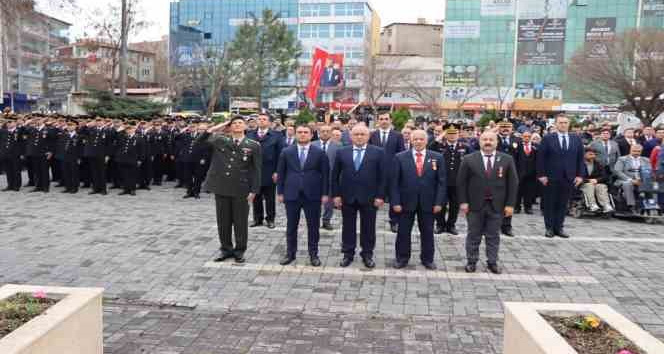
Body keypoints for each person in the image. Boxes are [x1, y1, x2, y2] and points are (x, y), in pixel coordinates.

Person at [457, 131, 518, 274]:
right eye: (485, 139)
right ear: (480, 142)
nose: (488, 142)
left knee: (493, 235)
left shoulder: (507, 159)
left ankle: (492, 262)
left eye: (491, 139)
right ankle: (471, 261)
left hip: (497, 206)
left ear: (497, 142)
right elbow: (461, 183)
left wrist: (510, 204)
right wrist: (463, 202)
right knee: (473, 234)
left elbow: (513, 183)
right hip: (474, 205)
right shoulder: (468, 159)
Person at [205, 117, 261, 264]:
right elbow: (202, 139)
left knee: (240, 222)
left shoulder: (253, 145)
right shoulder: (220, 140)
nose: (237, 125)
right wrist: (221, 124)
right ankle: (226, 249)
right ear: (229, 127)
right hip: (222, 187)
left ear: (246, 127)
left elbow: (257, 170)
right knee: (223, 221)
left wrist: (254, 190)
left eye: (240, 123)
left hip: (241, 189)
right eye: (234, 123)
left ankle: (240, 250)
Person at [391, 130, 446, 270]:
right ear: (410, 140)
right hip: (405, 202)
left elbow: (441, 182)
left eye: (421, 139)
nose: (418, 141)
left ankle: (427, 259)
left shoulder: (437, 157)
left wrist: (439, 202)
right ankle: (402, 258)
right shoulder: (400, 157)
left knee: (427, 232)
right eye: (415, 139)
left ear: (426, 141)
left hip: (428, 202)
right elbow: (394, 182)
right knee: (403, 232)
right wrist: (395, 202)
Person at [332, 124, 385, 269]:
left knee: (368, 227)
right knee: (348, 226)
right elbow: (335, 175)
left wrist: (380, 196)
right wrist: (336, 195)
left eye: (363, 134)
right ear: (350, 136)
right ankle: (348, 253)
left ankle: (367, 254)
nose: (359, 137)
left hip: (370, 197)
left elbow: (383, 176)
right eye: (356, 134)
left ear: (368, 136)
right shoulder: (342, 152)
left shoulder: (378, 152)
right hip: (347, 196)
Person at [276, 125, 329, 266]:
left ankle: (313, 254)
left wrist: (325, 194)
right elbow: (281, 174)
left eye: (306, 132)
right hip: (291, 194)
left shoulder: (320, 153)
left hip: (313, 195)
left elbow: (325, 175)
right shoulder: (286, 152)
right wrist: (280, 192)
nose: (302, 135)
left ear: (312, 135)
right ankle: (290, 253)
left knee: (313, 226)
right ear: (295, 134)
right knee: (291, 226)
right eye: (299, 132)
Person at [537, 114, 585, 238]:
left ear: (569, 124)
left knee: (563, 204)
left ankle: (559, 227)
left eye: (565, 122)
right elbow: (541, 158)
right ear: (556, 124)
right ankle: (549, 228)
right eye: (560, 122)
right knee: (550, 203)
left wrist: (580, 175)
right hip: (551, 176)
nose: (563, 125)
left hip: (569, 177)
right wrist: (541, 175)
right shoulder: (548, 138)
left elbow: (580, 159)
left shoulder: (576, 139)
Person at [428, 125, 469, 235]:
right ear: (445, 134)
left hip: (457, 181)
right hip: (441, 181)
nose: (452, 136)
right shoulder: (439, 146)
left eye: (454, 133)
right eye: (449, 133)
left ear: (458, 134)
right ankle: (440, 224)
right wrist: (439, 137)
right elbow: (429, 148)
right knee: (440, 203)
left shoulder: (464, 147)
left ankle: (451, 225)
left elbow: (471, 159)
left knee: (454, 205)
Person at [369, 113, 405, 233]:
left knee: (393, 196)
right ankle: (370, 219)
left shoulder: (398, 135)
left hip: (392, 171)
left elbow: (401, 154)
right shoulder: (372, 135)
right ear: (377, 121)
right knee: (374, 196)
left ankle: (394, 221)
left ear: (390, 120)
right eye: (381, 119)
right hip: (375, 172)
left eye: (386, 119)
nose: (384, 121)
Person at [247, 114, 285, 229]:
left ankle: (270, 219)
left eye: (264, 119)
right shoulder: (250, 134)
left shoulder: (277, 135)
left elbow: (281, 155)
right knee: (256, 196)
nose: (261, 121)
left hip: (270, 171)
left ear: (269, 122)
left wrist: (277, 171)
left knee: (269, 198)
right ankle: (257, 219)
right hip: (254, 171)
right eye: (260, 119)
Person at [312, 124, 341, 230]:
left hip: (330, 179)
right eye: (322, 131)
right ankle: (314, 220)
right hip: (314, 179)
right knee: (314, 201)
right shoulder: (312, 145)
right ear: (319, 132)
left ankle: (326, 220)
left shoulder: (338, 146)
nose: (325, 133)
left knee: (329, 202)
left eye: (327, 131)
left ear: (331, 132)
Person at [496, 120, 520, 237]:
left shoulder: (516, 140)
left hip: (511, 174)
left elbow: (520, 158)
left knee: (509, 200)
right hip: (495, 174)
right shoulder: (494, 139)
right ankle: (494, 225)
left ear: (512, 128)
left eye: (508, 127)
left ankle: (506, 226)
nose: (505, 129)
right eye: (502, 126)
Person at [614, 144, 651, 214]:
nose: (636, 153)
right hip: (625, 180)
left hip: (642, 181)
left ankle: (651, 206)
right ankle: (631, 206)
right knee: (627, 184)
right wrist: (631, 180)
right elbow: (618, 172)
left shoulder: (646, 160)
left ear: (641, 152)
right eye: (634, 151)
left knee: (654, 184)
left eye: (638, 151)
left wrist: (644, 180)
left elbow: (649, 171)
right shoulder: (622, 159)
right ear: (630, 150)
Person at [24, 118, 57, 193]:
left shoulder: (48, 129)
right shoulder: (33, 129)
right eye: (35, 120)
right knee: (36, 170)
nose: (37, 121)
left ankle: (45, 187)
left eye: (39, 120)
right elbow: (24, 132)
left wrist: (50, 152)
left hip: (44, 153)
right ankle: (38, 186)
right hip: (35, 153)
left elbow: (52, 142)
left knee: (44, 171)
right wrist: (26, 123)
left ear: (43, 121)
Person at [114, 123, 146, 196]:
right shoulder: (123, 137)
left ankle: (132, 189)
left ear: (134, 129)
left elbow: (142, 150)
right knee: (124, 175)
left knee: (132, 175)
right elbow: (117, 137)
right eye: (127, 129)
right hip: (124, 159)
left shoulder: (139, 138)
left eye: (130, 129)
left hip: (133, 159)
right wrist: (121, 129)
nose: (128, 130)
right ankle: (126, 189)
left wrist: (140, 160)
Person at [81, 118, 111, 195]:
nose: (98, 123)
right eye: (97, 122)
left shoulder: (107, 131)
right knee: (94, 172)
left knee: (102, 172)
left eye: (100, 121)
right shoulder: (91, 129)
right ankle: (95, 188)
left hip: (102, 154)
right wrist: (87, 125)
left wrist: (107, 155)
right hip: (92, 154)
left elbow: (108, 144)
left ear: (103, 122)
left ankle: (103, 189)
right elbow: (82, 132)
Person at [580, 147, 612, 213]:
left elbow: (604, 176)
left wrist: (596, 180)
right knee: (589, 185)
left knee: (601, 186)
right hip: (582, 184)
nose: (593, 156)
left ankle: (606, 205)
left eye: (594, 154)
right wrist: (588, 180)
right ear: (584, 154)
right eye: (590, 154)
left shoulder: (598, 164)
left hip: (596, 183)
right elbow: (575, 176)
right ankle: (592, 205)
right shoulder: (578, 164)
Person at [514, 130, 538, 214]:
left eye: (528, 136)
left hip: (531, 174)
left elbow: (537, 160)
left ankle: (528, 207)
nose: (527, 138)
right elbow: (514, 159)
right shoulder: (517, 146)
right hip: (519, 173)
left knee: (529, 192)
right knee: (518, 191)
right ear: (522, 137)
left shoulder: (535, 147)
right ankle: (517, 207)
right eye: (525, 136)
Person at [55, 121, 83, 194]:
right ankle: (68, 187)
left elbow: (80, 149)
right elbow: (60, 146)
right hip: (64, 157)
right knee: (66, 172)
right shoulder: (64, 135)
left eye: (71, 125)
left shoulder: (78, 136)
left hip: (74, 157)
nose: (69, 127)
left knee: (74, 173)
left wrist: (79, 158)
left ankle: (74, 188)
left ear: (75, 126)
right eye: (68, 125)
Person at [0, 119, 24, 191]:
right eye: (8, 122)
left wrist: (22, 153)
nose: (9, 124)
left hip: (15, 154)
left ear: (15, 123)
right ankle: (10, 185)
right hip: (6, 154)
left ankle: (17, 185)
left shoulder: (19, 131)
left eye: (11, 122)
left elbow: (22, 143)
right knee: (8, 170)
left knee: (16, 170)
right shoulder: (3, 131)